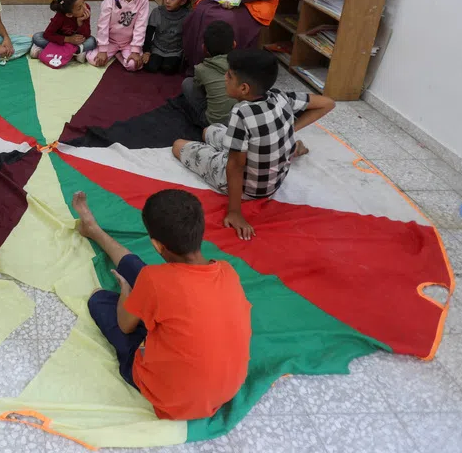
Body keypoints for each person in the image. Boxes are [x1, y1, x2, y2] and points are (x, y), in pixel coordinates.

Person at [73, 188, 251, 420]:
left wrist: (126, 293)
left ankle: (94, 232)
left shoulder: (154, 281)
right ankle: (94, 231)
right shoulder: (227, 270)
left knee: (99, 299)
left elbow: (125, 326)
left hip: (171, 398)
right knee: (145, 277)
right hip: (226, 390)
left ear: (157, 246)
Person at [172, 50, 334, 240]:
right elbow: (327, 103)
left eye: (229, 75)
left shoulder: (241, 113)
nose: (224, 77)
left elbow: (235, 166)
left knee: (178, 145)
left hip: (250, 189)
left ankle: (291, 146)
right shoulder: (279, 96)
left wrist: (235, 212)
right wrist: (289, 129)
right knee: (209, 130)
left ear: (244, 89)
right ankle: (293, 146)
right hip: (273, 180)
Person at [87, 0, 149, 71]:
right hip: (111, 41)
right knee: (94, 60)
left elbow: (141, 25)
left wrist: (135, 50)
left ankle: (119, 55)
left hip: (128, 42)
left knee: (134, 65)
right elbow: (103, 25)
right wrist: (102, 49)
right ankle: (111, 52)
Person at [181, 20, 237, 128]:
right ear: (234, 44)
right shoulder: (240, 63)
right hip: (238, 121)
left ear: (204, 48)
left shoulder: (201, 68)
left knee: (187, 83)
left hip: (213, 125)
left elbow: (197, 86)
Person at [30, 0, 95, 62]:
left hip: (75, 41)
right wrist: (68, 40)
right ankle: (74, 52)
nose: (85, 7)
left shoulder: (86, 10)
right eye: (79, 8)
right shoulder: (60, 17)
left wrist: (80, 23)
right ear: (69, 14)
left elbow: (86, 35)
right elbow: (47, 34)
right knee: (37, 37)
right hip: (61, 40)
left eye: (84, 2)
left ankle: (57, 51)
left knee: (92, 41)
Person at [142, 0, 191, 74]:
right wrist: (147, 52)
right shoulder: (157, 12)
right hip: (157, 48)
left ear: (183, 1)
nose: (167, 1)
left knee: (168, 69)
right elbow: (149, 34)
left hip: (175, 50)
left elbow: (189, 37)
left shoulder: (188, 15)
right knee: (150, 67)